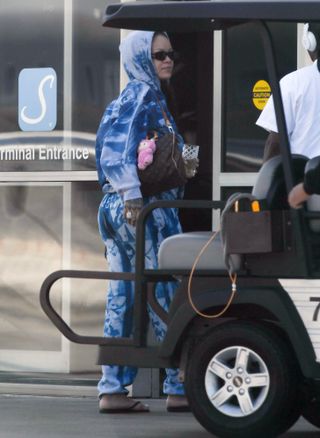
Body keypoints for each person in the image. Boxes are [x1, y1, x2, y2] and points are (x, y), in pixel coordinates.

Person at [95, 31, 197, 413]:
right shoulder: (140, 94)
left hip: (127, 211)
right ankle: (179, 384)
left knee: (124, 296)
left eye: (171, 53)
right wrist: (132, 196)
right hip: (142, 213)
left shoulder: (146, 95)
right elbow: (115, 152)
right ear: (139, 58)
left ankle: (112, 389)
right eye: (158, 55)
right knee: (164, 293)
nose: (167, 60)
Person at [256, 23, 320, 163]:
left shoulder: (294, 83)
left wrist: (268, 181)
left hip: (305, 180)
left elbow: (275, 143)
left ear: (309, 42)